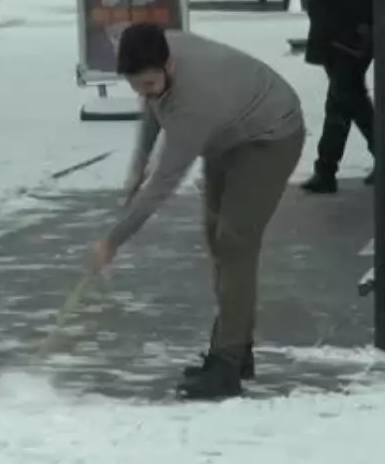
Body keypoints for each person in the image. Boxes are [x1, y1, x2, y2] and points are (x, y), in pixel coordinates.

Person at [89, 23, 305, 400]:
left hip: (270, 136)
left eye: (151, 83)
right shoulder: (153, 51)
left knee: (235, 242)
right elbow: (154, 106)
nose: (145, 92)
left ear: (169, 66)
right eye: (136, 85)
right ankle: (236, 347)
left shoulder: (194, 104)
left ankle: (227, 363)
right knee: (216, 239)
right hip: (229, 133)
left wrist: (113, 241)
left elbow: (162, 187)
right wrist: (139, 163)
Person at [287, 0, 374, 192]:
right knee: (350, 98)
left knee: (342, 97)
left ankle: (326, 169)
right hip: (328, 30)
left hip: (355, 32)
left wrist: (367, 23)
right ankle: (381, 155)